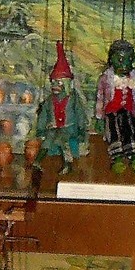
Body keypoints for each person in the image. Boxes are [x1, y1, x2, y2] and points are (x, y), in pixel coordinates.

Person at [35, 40, 88, 173]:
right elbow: (44, 115)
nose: (55, 86)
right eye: (53, 82)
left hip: (69, 127)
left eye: (59, 83)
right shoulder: (49, 100)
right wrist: (41, 129)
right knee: (48, 140)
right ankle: (37, 162)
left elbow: (80, 114)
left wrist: (82, 129)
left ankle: (67, 164)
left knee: (62, 139)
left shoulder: (73, 99)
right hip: (53, 126)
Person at [95, 39, 135, 173]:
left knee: (130, 131)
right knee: (114, 133)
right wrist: (99, 118)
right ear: (112, 59)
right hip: (111, 112)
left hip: (127, 111)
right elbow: (100, 98)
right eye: (120, 60)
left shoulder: (134, 77)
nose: (125, 64)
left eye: (129, 59)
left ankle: (133, 154)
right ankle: (117, 157)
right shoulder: (106, 79)